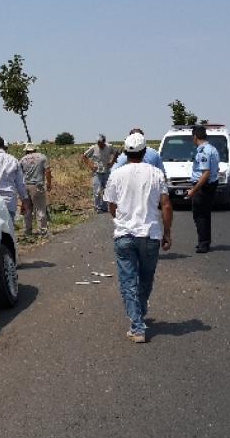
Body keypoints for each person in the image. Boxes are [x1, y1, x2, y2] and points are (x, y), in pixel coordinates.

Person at [103, 132, 173, 343]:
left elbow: (111, 206)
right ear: (145, 152)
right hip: (150, 234)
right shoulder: (156, 174)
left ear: (125, 152)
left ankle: (137, 325)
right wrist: (167, 232)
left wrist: (122, 220)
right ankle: (139, 315)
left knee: (127, 281)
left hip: (124, 235)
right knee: (146, 277)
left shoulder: (116, 175)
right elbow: (166, 205)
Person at [186, 125, 219, 253]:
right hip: (211, 184)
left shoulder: (203, 151)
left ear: (195, 136)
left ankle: (203, 243)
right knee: (205, 214)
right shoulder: (212, 149)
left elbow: (205, 173)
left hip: (203, 187)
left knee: (199, 215)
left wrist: (193, 190)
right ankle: (205, 241)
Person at [19, 143, 52, 235]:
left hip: (25, 186)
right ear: (35, 150)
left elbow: (19, 175)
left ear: (26, 150)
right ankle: (43, 231)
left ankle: (27, 231)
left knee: (27, 209)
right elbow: (48, 171)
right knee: (40, 209)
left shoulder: (22, 160)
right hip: (38, 186)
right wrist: (49, 184)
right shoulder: (42, 157)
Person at [82, 134, 116, 213]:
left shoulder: (109, 147)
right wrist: (91, 166)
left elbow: (117, 154)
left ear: (104, 141)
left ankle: (104, 207)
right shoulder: (94, 148)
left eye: (100, 142)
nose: (99, 144)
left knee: (106, 190)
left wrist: (111, 163)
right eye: (98, 142)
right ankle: (97, 207)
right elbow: (84, 156)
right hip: (97, 172)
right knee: (97, 191)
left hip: (106, 171)